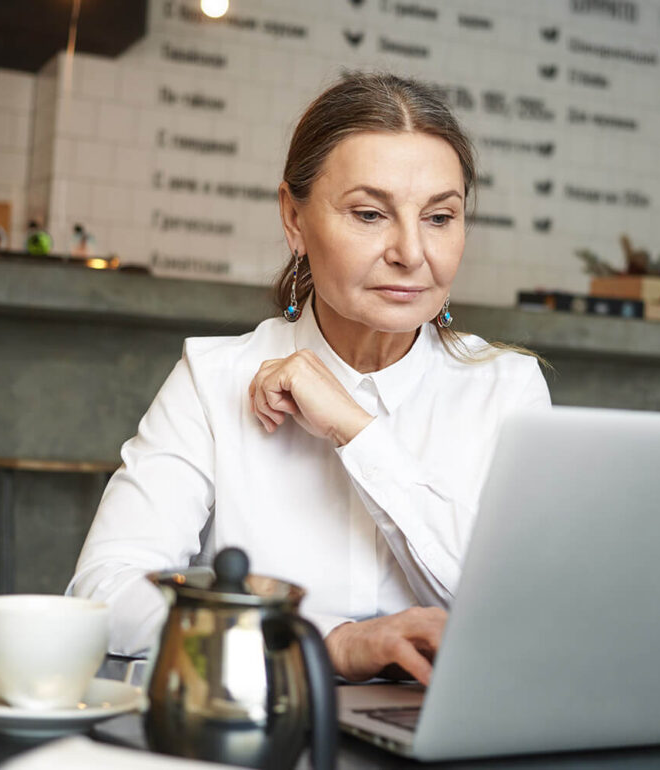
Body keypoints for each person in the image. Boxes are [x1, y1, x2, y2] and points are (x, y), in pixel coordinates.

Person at [68, 72, 551, 686]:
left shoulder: (508, 389)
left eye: (439, 217)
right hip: (263, 730)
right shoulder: (214, 378)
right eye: (371, 214)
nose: (411, 251)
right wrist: (325, 644)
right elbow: (104, 598)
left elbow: (520, 614)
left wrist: (356, 429)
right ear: (294, 220)